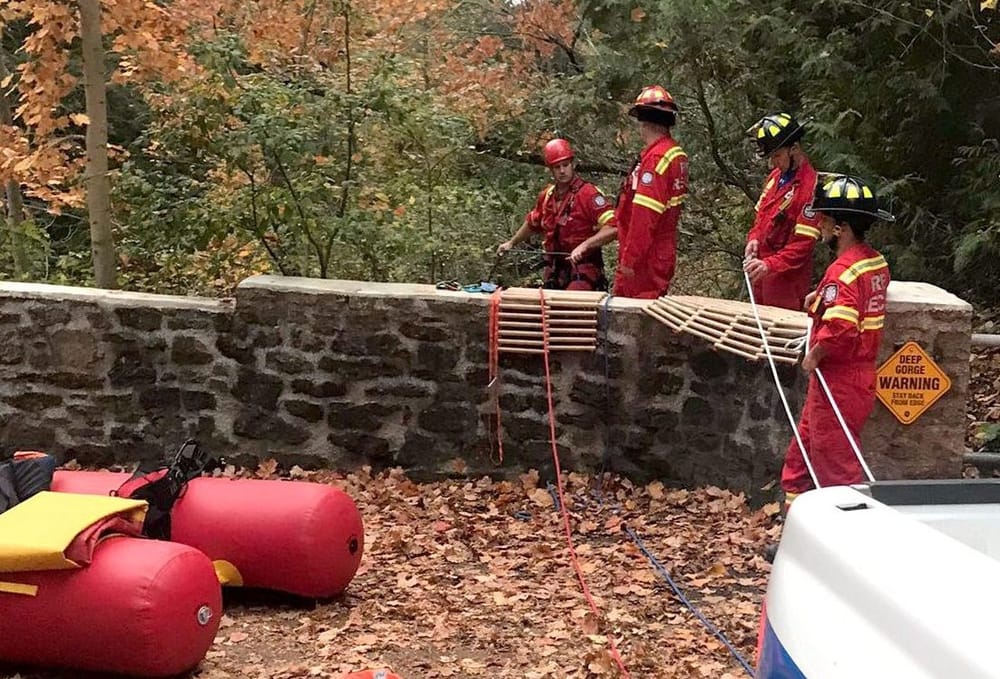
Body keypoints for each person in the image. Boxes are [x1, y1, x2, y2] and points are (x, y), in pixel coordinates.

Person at [781, 174, 893, 511]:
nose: (820, 227)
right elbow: (854, 301)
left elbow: (841, 327)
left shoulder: (842, 271)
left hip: (839, 380)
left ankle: (846, 542)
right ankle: (793, 527)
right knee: (802, 454)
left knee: (836, 471)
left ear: (841, 227)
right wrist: (820, 298)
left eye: (825, 220)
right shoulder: (874, 262)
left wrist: (813, 355)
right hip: (851, 379)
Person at [573, 85, 688, 299]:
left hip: (645, 260)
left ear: (644, 121)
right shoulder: (672, 154)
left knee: (631, 321)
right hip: (655, 254)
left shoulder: (656, 159)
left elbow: (645, 217)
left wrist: (630, 259)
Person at [496, 138, 616, 290]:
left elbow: (613, 227)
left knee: (570, 305)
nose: (562, 171)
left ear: (573, 164)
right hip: (554, 271)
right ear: (551, 170)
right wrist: (511, 243)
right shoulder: (547, 196)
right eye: (557, 167)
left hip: (583, 269)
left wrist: (585, 246)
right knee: (545, 308)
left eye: (565, 165)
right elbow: (533, 222)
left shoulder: (588, 194)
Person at [742, 113, 820, 311]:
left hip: (786, 283)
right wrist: (754, 239)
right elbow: (762, 217)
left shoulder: (810, 188)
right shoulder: (775, 177)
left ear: (794, 149)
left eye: (777, 155)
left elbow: (803, 245)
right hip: (762, 278)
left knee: (780, 337)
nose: (773, 162)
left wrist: (770, 265)